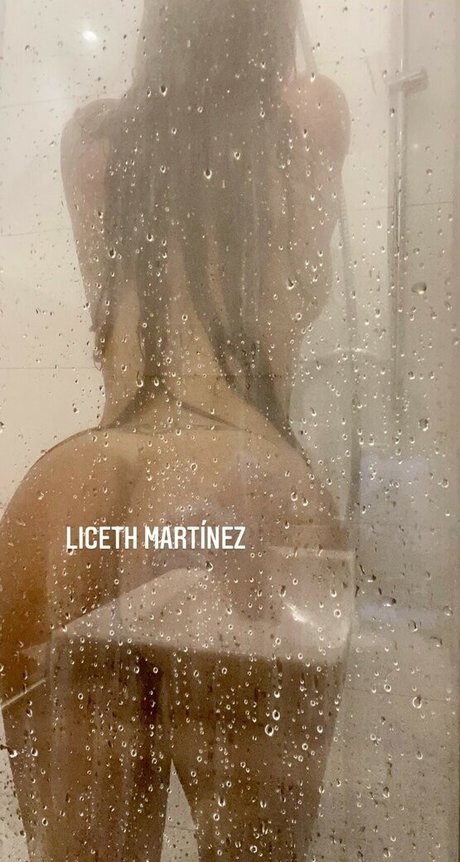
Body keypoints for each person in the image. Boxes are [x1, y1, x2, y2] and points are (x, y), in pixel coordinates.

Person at [0, 1, 352, 859]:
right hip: (241, 489)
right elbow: (306, 291)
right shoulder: (309, 113)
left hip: (71, 493)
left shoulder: (89, 142)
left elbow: (103, 315)